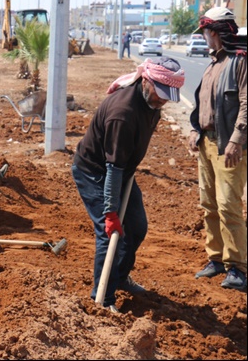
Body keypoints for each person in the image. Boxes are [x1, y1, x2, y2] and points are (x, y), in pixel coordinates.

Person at [71, 57, 185, 312]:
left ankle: (119, 276)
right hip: (95, 172)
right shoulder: (122, 114)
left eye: (168, 95)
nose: (163, 100)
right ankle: (103, 299)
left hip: (121, 170)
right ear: (146, 80)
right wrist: (111, 213)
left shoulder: (151, 102)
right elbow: (113, 169)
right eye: (160, 93)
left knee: (137, 227)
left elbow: (122, 163)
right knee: (110, 234)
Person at [187, 7, 247, 292]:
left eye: (206, 33)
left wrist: (237, 139)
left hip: (229, 147)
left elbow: (246, 104)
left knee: (228, 206)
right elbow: (203, 106)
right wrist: (194, 129)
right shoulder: (212, 65)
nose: (204, 38)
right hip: (206, 144)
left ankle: (237, 267)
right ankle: (216, 260)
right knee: (209, 204)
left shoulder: (239, 62)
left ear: (217, 33)